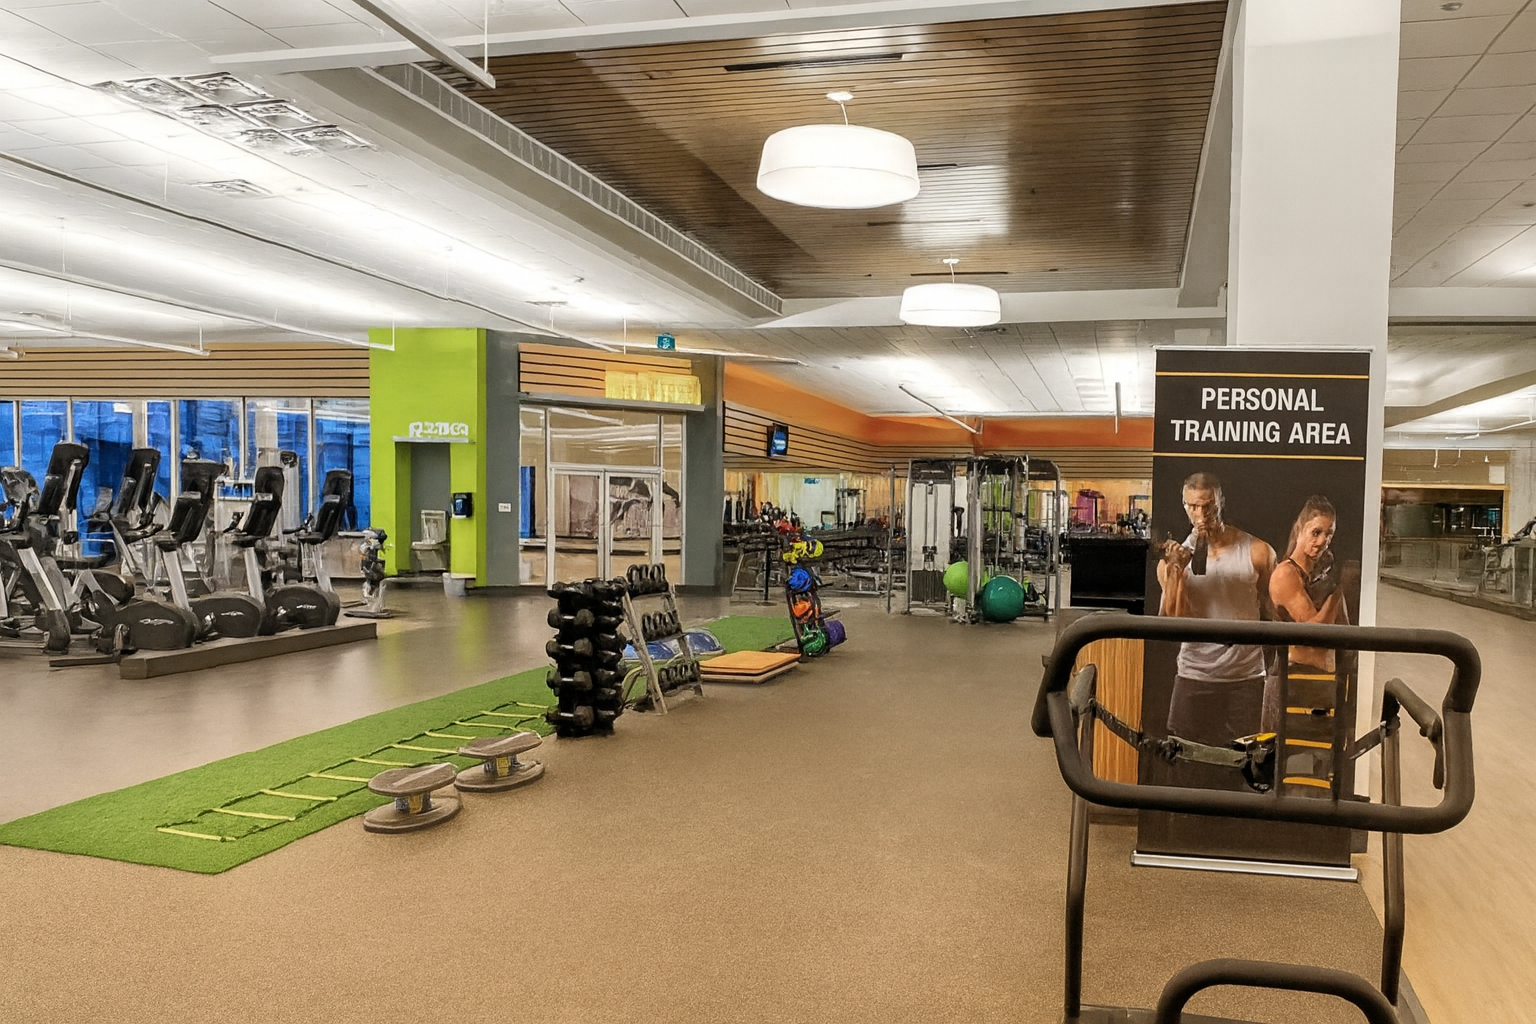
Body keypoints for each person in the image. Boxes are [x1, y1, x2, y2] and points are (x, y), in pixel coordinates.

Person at [1155, 471, 1276, 748]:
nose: (1202, 514)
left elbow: (1271, 608)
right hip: (1195, 673)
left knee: (1245, 764)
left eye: (1208, 505)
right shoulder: (1172, 563)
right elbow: (1171, 623)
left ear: (1219, 503)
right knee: (1184, 758)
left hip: (1245, 676)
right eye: (1194, 506)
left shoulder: (1257, 551)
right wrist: (1176, 570)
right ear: (1185, 507)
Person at [1269, 495, 1360, 675]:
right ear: (1300, 530)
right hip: (1292, 681)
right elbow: (1315, 635)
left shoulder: (1319, 579)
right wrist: (1338, 590)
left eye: (1329, 535)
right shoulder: (1286, 574)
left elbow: (1346, 639)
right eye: (1316, 533)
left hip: (1322, 680)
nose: (1322, 542)